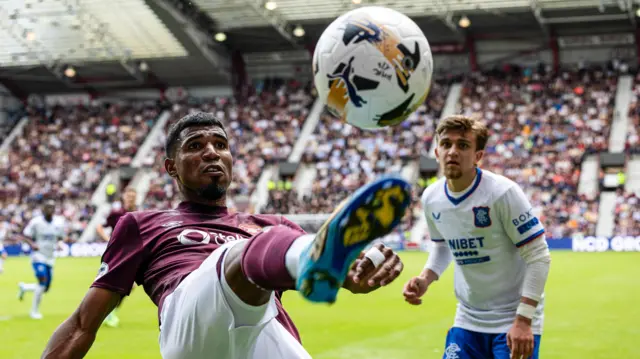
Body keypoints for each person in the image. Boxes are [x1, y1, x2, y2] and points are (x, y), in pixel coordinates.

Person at [41, 112, 412, 359]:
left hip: (262, 330)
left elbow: (347, 282)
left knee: (269, 246)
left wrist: (358, 270)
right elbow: (82, 324)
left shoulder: (270, 223)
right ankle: (315, 250)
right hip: (192, 330)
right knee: (243, 252)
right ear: (171, 167)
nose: (211, 153)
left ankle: (320, 252)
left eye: (220, 145)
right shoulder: (141, 224)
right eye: (195, 147)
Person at [403, 115, 551, 359]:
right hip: (468, 318)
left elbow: (539, 256)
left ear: (478, 156)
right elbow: (443, 246)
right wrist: (425, 279)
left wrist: (524, 321)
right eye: (446, 144)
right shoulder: (432, 198)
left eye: (463, 145)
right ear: (437, 152)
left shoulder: (502, 193)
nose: (453, 151)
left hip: (514, 319)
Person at [95, 187, 139, 328]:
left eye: (133, 196)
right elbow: (99, 227)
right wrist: (109, 240)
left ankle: (110, 312)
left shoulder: (140, 213)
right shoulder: (116, 213)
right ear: (124, 197)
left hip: (132, 254)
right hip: (116, 253)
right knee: (110, 283)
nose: (130, 198)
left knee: (129, 287)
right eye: (128, 196)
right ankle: (105, 313)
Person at [17, 200, 66, 319]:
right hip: (38, 255)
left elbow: (60, 237)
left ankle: (25, 287)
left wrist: (59, 243)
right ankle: (34, 311)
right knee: (42, 279)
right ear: (43, 209)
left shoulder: (59, 223)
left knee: (45, 287)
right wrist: (32, 244)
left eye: (52, 208)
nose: (50, 210)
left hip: (50, 257)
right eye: (47, 207)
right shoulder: (36, 222)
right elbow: (24, 235)